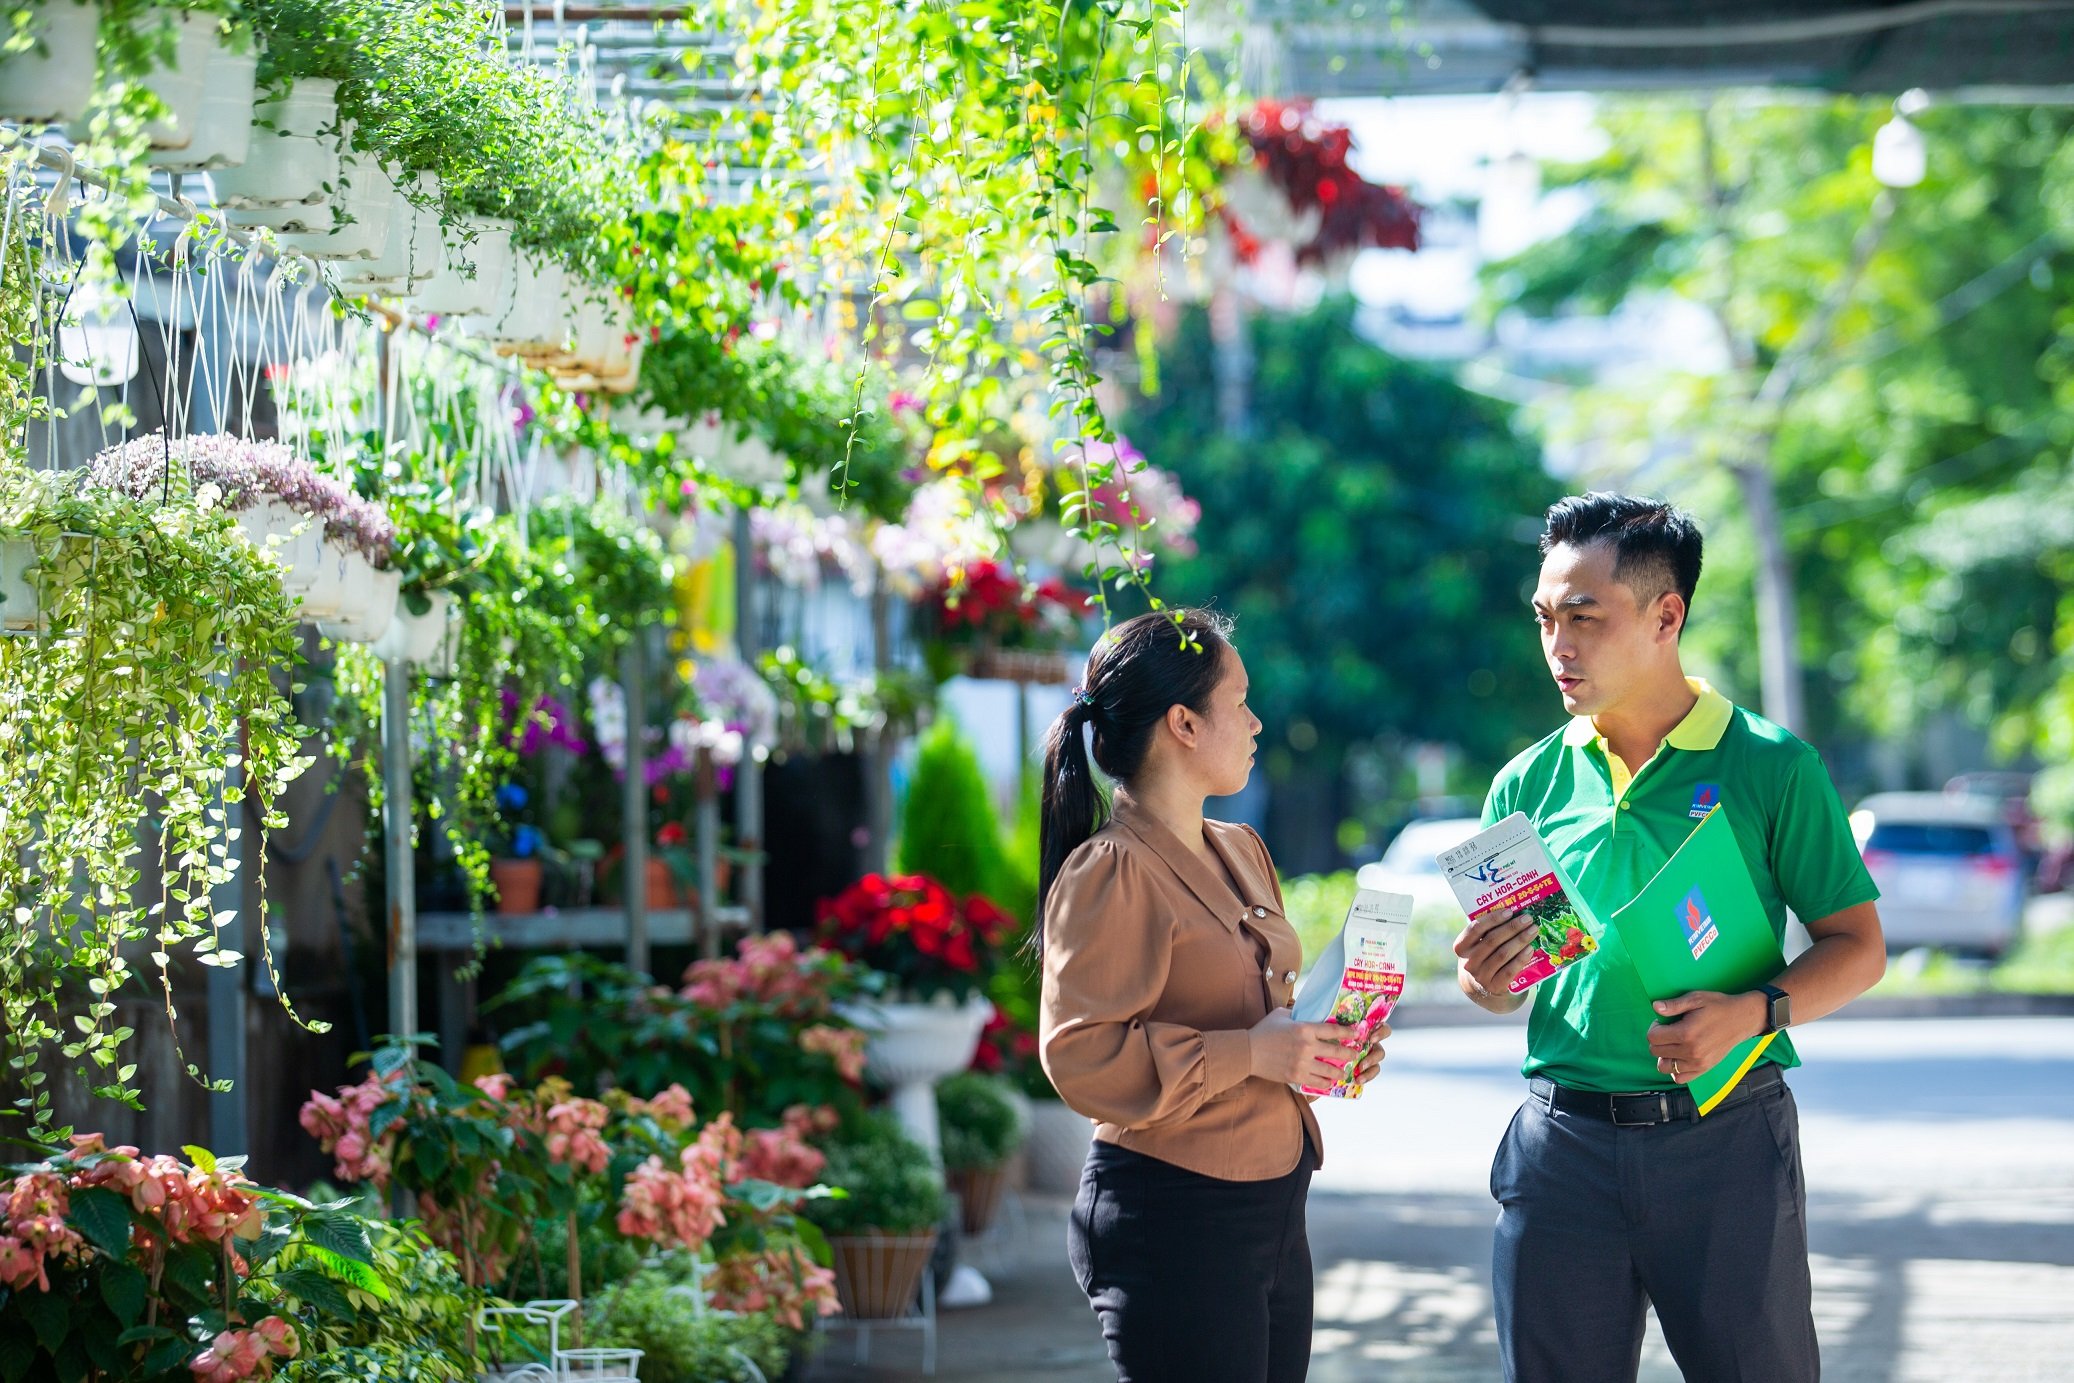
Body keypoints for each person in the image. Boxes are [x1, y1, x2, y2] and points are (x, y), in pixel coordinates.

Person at [1455, 493, 1887, 1382]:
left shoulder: (1770, 765)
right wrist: (1488, 979)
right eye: (1546, 618)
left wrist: (1755, 1013)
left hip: (1724, 1142)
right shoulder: (1524, 784)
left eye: (1584, 616)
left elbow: (1858, 944)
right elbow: (1509, 985)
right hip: (1560, 1150)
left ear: (1666, 615)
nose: (1559, 645)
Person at [1037, 609, 1381, 1383]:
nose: (1258, 722)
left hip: (1272, 1204)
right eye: (1241, 701)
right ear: (1184, 724)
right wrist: (1254, 1052)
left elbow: (1265, 1020)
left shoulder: (1241, 847)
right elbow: (1082, 1056)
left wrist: (1322, 1045)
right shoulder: (1110, 870)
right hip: (1175, 1212)